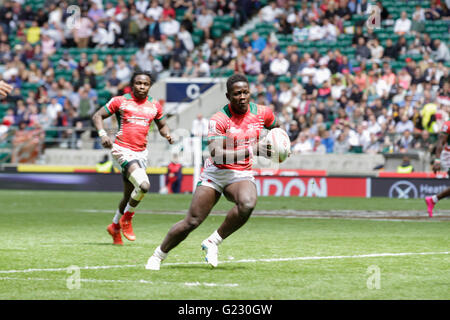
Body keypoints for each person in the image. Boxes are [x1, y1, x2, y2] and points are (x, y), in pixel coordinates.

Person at [145, 74, 278, 270]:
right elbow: (217, 155)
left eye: (245, 92)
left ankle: (213, 241)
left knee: (247, 204)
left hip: (240, 174)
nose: (242, 97)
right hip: (215, 173)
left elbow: (277, 130)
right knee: (192, 221)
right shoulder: (219, 119)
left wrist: (279, 146)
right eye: (237, 93)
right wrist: (253, 150)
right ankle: (158, 255)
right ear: (228, 96)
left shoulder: (263, 113)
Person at [92, 70, 173, 245]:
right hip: (122, 150)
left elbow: (163, 124)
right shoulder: (120, 101)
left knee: (130, 194)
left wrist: (167, 134)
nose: (142, 87)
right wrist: (102, 134)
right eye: (138, 83)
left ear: (150, 86)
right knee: (144, 186)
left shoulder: (154, 105)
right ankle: (127, 219)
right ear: (132, 84)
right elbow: (98, 115)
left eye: (146, 84)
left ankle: (114, 226)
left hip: (141, 153)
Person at [425, 120, 450, 217]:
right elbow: (440, 142)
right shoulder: (448, 125)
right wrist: (437, 160)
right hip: (448, 155)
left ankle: (433, 200)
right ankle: (433, 200)